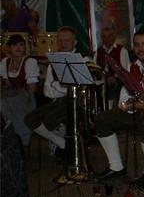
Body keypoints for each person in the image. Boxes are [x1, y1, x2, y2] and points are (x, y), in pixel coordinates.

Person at [92, 30, 144, 180]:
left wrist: (139, 105)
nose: (140, 49)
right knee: (101, 119)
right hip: (136, 110)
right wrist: (125, 104)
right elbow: (125, 92)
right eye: (137, 45)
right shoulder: (132, 66)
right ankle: (116, 167)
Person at [24, 26, 89, 154]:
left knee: (51, 120)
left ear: (75, 42)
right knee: (30, 119)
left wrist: (56, 85)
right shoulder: (53, 62)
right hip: (57, 102)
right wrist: (62, 87)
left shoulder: (84, 60)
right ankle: (63, 144)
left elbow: (81, 88)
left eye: (67, 40)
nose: (63, 44)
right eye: (60, 40)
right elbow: (47, 92)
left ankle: (66, 146)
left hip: (78, 103)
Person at [0, 34, 39, 147]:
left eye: (21, 45)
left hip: (27, 99)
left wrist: (15, 97)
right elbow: (7, 84)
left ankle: (18, 138)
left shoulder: (29, 62)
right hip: (12, 96)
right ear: (9, 48)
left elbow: (32, 89)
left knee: (3, 103)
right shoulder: (5, 62)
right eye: (14, 45)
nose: (18, 48)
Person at [93, 25, 130, 109]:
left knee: (113, 84)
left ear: (114, 37)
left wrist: (115, 77)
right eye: (104, 37)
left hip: (117, 81)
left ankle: (112, 107)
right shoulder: (98, 52)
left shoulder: (122, 50)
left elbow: (125, 70)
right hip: (102, 80)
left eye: (109, 36)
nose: (107, 39)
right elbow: (95, 69)